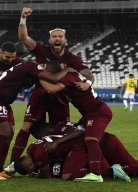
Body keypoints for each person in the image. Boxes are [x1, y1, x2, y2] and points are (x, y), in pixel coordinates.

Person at [5, 6, 95, 174]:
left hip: (60, 98)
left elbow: (88, 73)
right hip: (40, 94)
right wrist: (23, 18)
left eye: (60, 36)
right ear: (50, 40)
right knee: (26, 128)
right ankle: (13, 165)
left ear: (65, 40)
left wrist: (88, 83)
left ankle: (51, 164)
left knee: (58, 132)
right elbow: (23, 37)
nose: (57, 38)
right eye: (54, 36)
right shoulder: (41, 50)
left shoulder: (71, 58)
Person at [0, 59, 76, 180]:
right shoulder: (32, 66)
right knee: (4, 132)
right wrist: (67, 69)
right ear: (44, 67)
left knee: (8, 134)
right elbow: (54, 79)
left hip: (0, 100)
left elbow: (50, 88)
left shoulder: (34, 72)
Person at [14, 121, 138, 181]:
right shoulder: (55, 133)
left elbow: (47, 173)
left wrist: (37, 174)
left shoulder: (38, 151)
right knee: (133, 168)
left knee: (105, 172)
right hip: (105, 139)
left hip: (91, 146)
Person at [39, 62, 112, 182]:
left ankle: (96, 173)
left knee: (90, 139)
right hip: (88, 114)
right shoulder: (70, 74)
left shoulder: (67, 78)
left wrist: (39, 76)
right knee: (78, 133)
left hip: (98, 112)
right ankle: (110, 167)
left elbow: (51, 90)